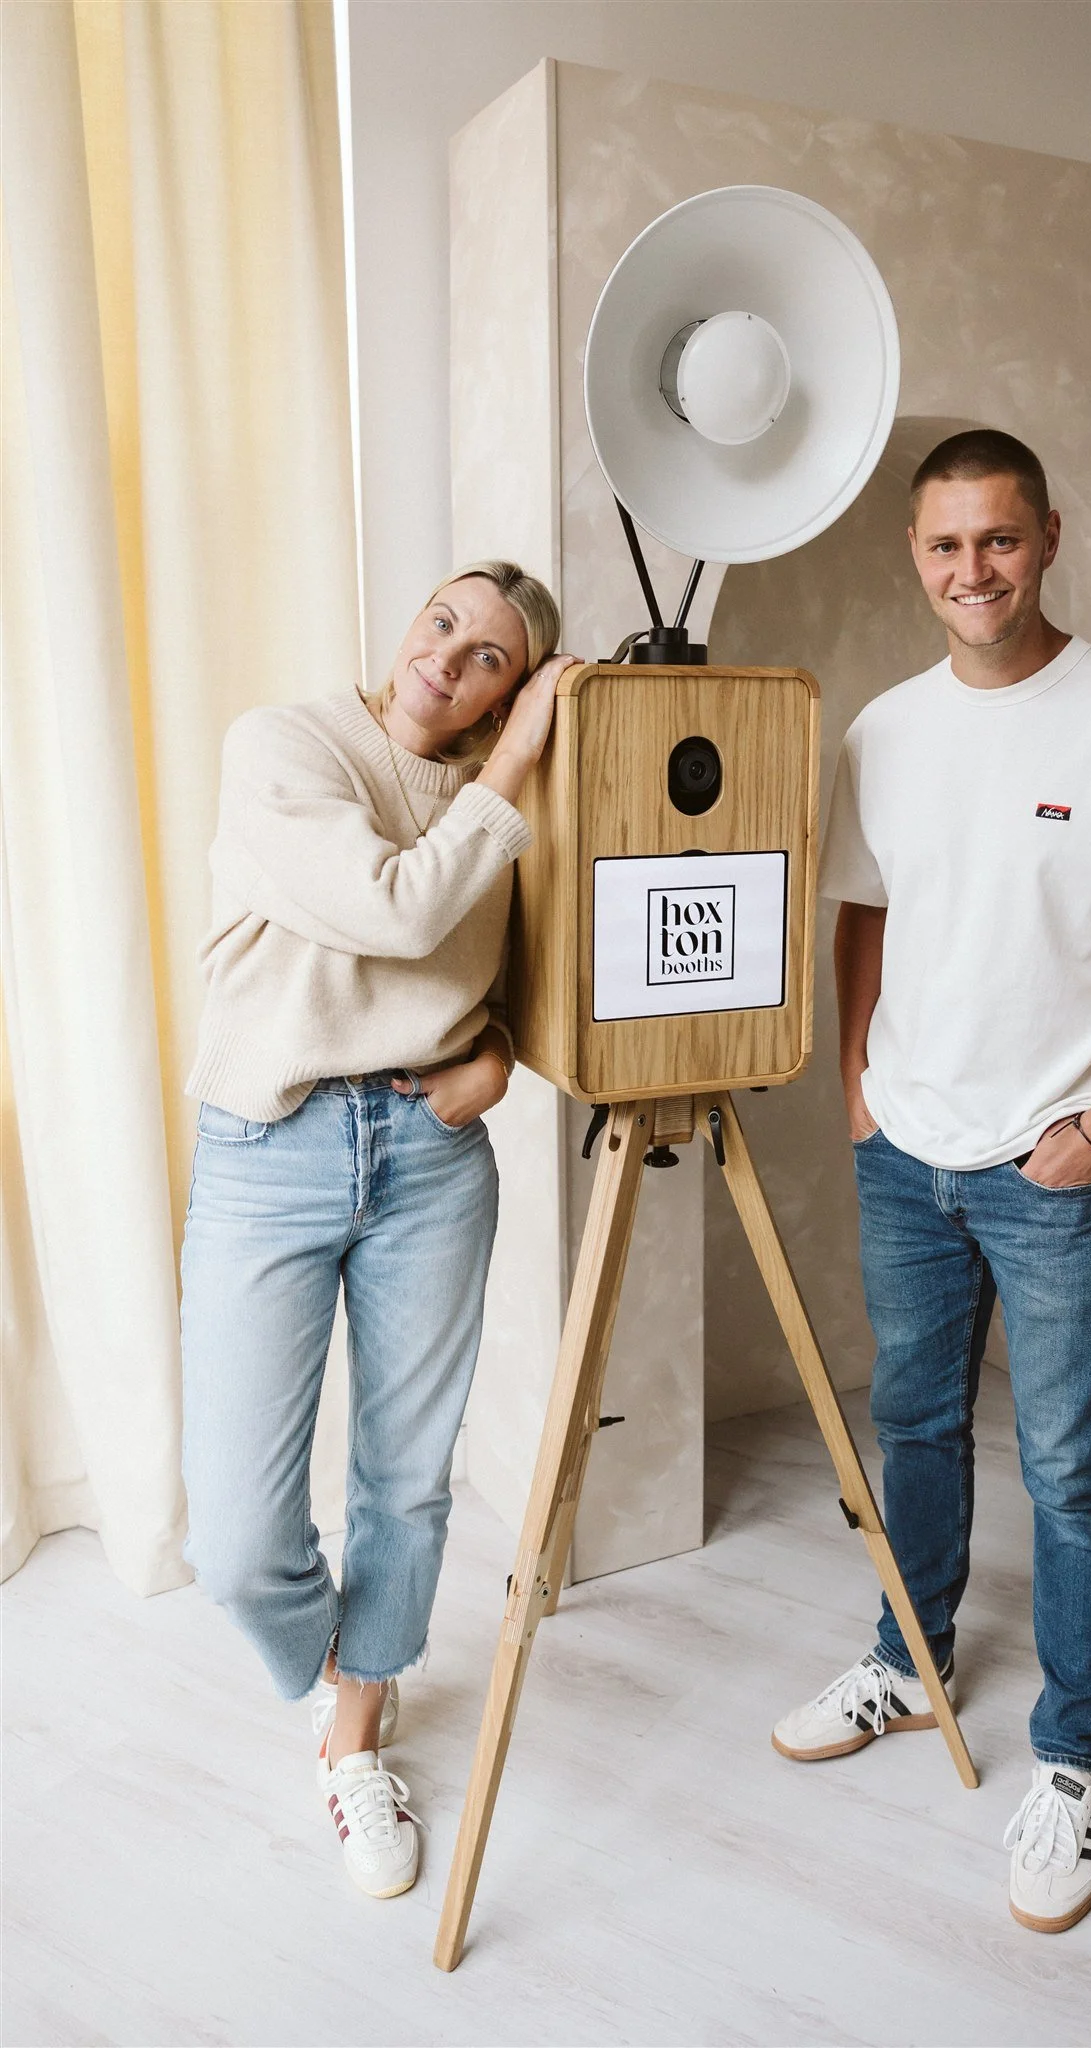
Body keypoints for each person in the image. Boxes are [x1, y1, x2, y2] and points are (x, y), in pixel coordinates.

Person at [772, 431, 1091, 1934]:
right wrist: (857, 1074)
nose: (971, 571)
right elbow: (865, 907)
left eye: (997, 540)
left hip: (1057, 1177)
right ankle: (909, 1665)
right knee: (910, 1421)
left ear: (1045, 537)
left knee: (1068, 1472)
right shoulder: (886, 729)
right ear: (915, 559)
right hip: (906, 1154)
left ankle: (1065, 1759)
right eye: (943, 547)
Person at [180, 561, 575, 1900]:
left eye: (491, 661)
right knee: (235, 1538)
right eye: (445, 623)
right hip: (269, 1146)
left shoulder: (506, 808)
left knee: (405, 1482)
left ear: (509, 689)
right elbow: (394, 905)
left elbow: (532, 954)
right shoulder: (287, 746)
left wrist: (505, 1055)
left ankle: (355, 1738)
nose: (450, 662)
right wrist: (512, 761)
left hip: (430, 1155)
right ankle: (336, 1667)